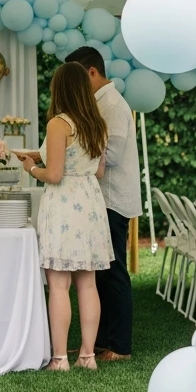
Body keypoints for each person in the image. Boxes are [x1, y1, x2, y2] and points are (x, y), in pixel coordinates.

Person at [21, 61, 111, 372]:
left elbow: (55, 174)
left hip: (63, 205)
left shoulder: (59, 124)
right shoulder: (96, 124)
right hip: (90, 202)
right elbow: (97, 170)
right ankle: (87, 356)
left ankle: (59, 358)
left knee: (59, 284)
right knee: (88, 284)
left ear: (60, 89)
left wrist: (32, 167)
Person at [64, 45, 142, 361]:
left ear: (92, 72)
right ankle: (102, 340)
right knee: (100, 272)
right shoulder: (99, 103)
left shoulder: (112, 107)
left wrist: (70, 155)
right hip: (99, 198)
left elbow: (110, 156)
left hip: (112, 198)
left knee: (113, 272)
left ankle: (120, 346)